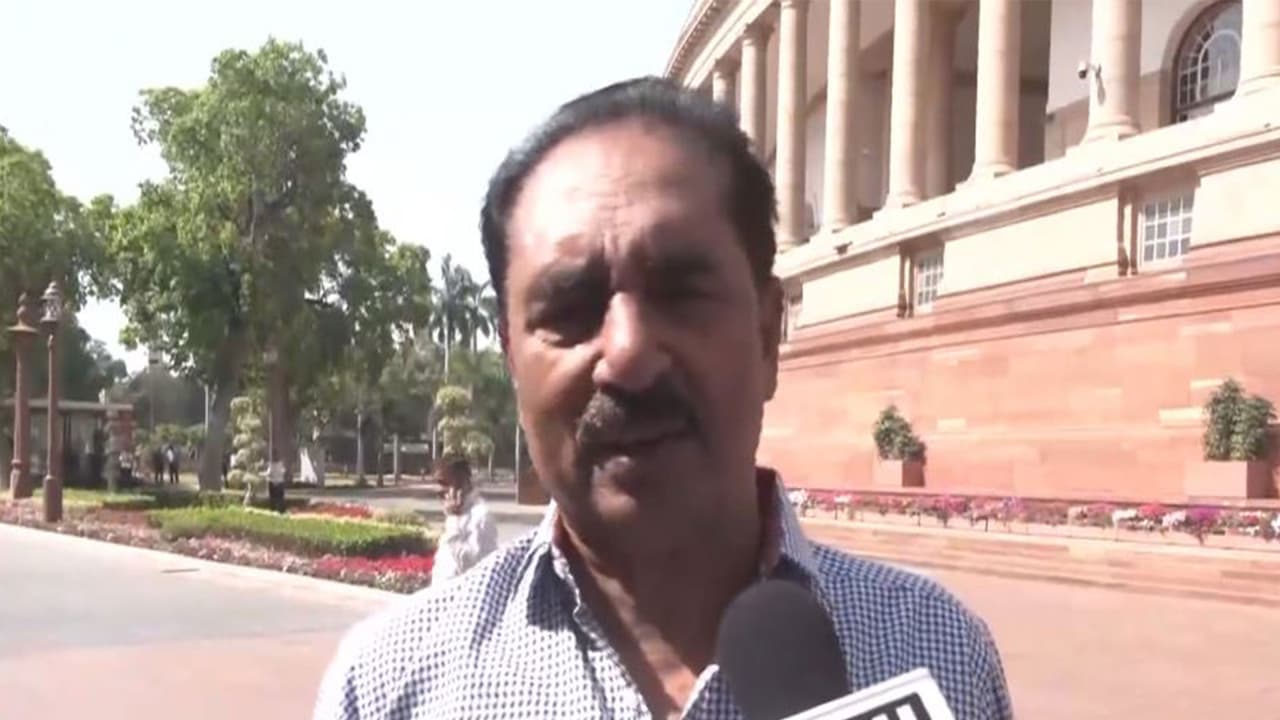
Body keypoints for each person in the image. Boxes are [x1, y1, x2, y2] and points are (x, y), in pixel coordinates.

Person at [315, 77, 1012, 720]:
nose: (628, 354)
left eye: (680, 293)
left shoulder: (939, 653)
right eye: (571, 309)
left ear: (767, 335)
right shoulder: (389, 690)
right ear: (512, 361)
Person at [429, 455, 498, 586]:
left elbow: (478, 566)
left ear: (461, 483)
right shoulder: (455, 514)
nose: (437, 490)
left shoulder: (481, 516)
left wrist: (453, 523)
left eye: (442, 483)